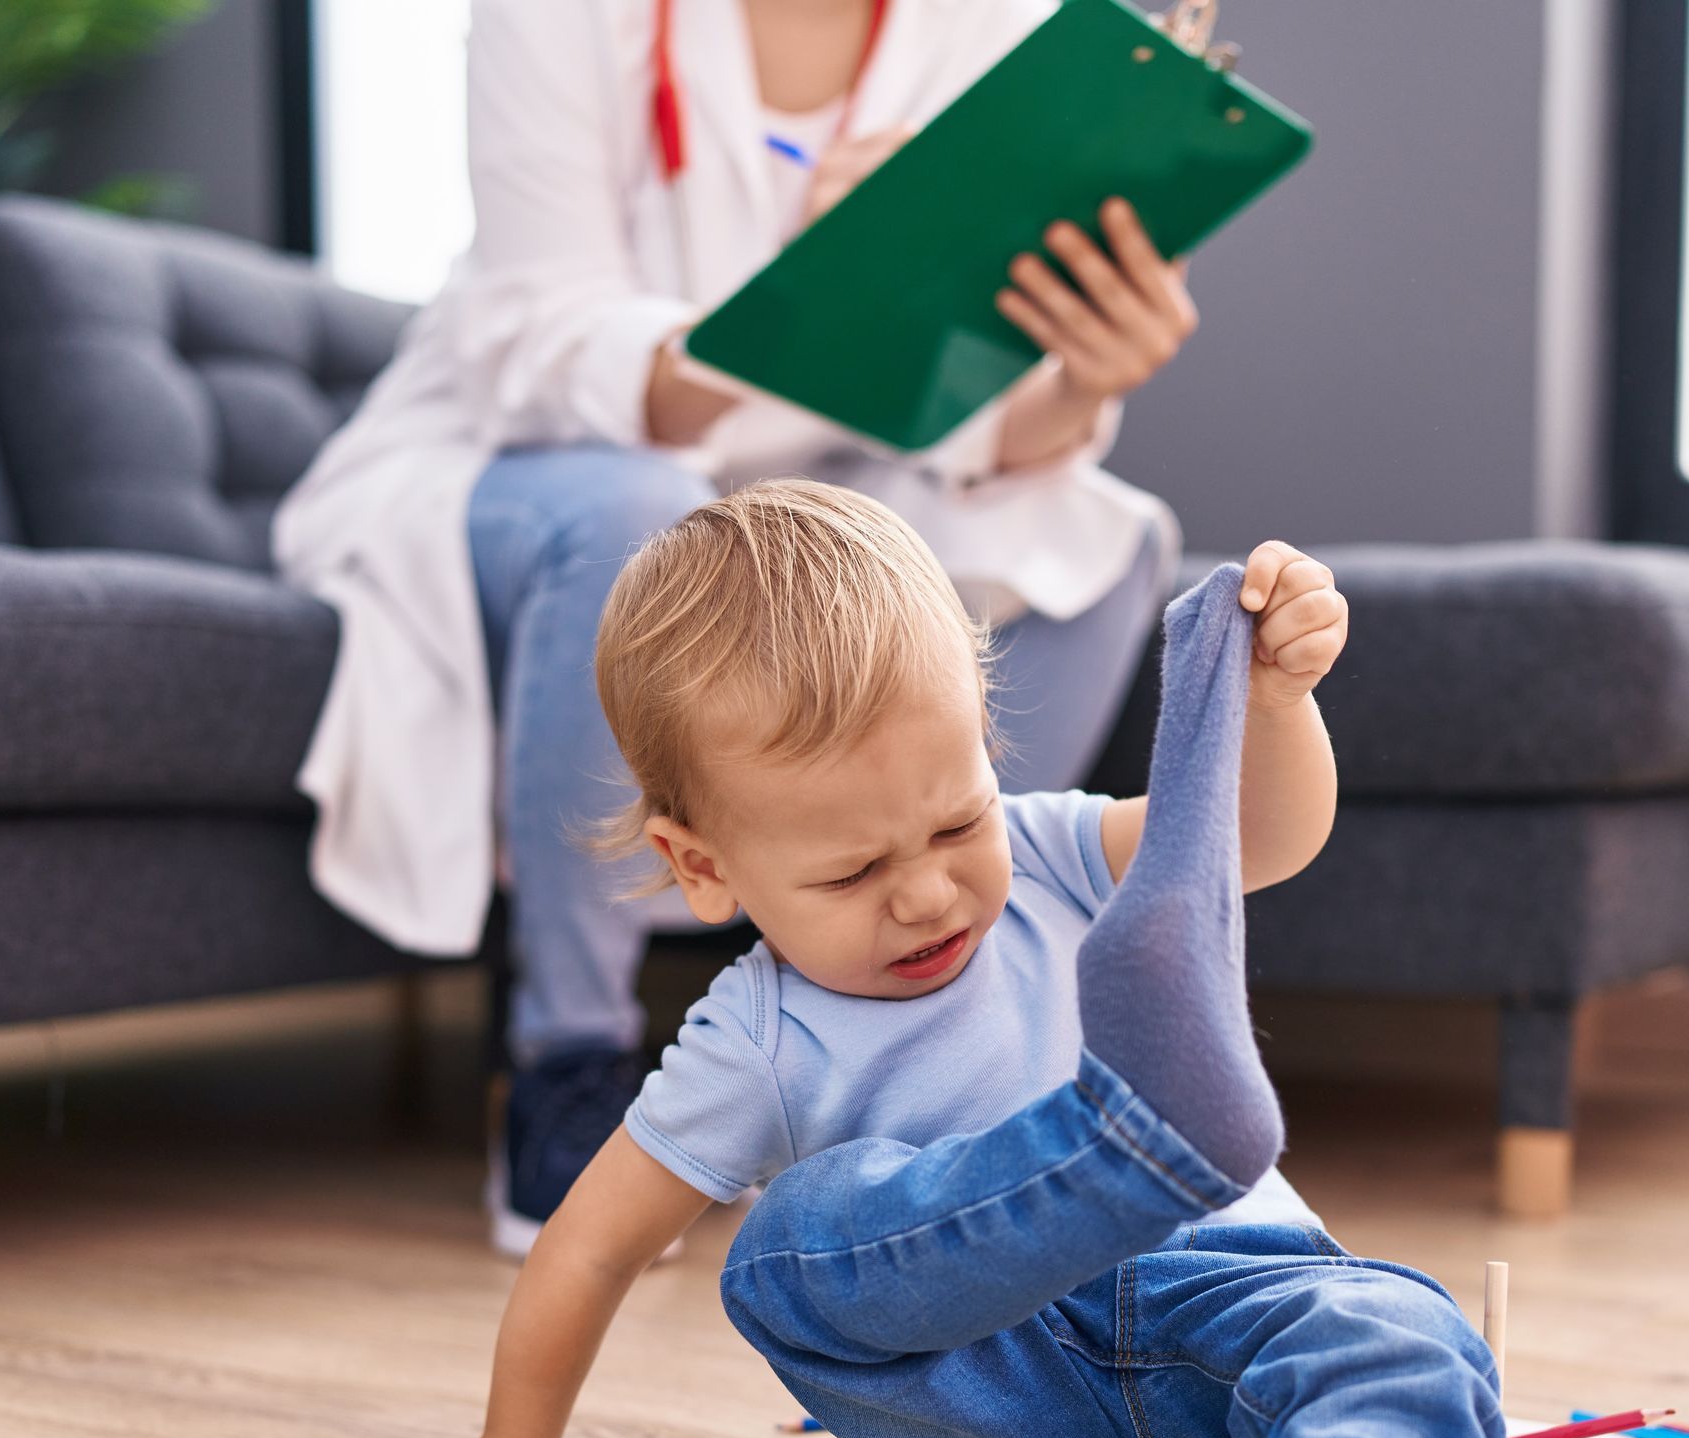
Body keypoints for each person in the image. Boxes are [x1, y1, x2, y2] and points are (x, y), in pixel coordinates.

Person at [309, 484, 1505, 1438]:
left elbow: (1257, 842)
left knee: (1400, 1342)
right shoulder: (751, 1041)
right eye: (848, 871)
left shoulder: (1052, 852)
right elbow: (590, 1245)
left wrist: (1278, 702)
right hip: (1007, 1427)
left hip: (1233, 1336)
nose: (929, 891)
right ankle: (1139, 1146)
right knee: (790, 1245)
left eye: (954, 825)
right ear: (702, 868)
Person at [274, 0, 1201, 1253]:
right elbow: (545, 342)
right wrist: (809, 292)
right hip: (527, 460)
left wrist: (1087, 375)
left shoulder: (999, 25)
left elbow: (966, 404)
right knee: (645, 520)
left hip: (823, 474)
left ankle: (943, 1038)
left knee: (1097, 533)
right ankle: (568, 1059)